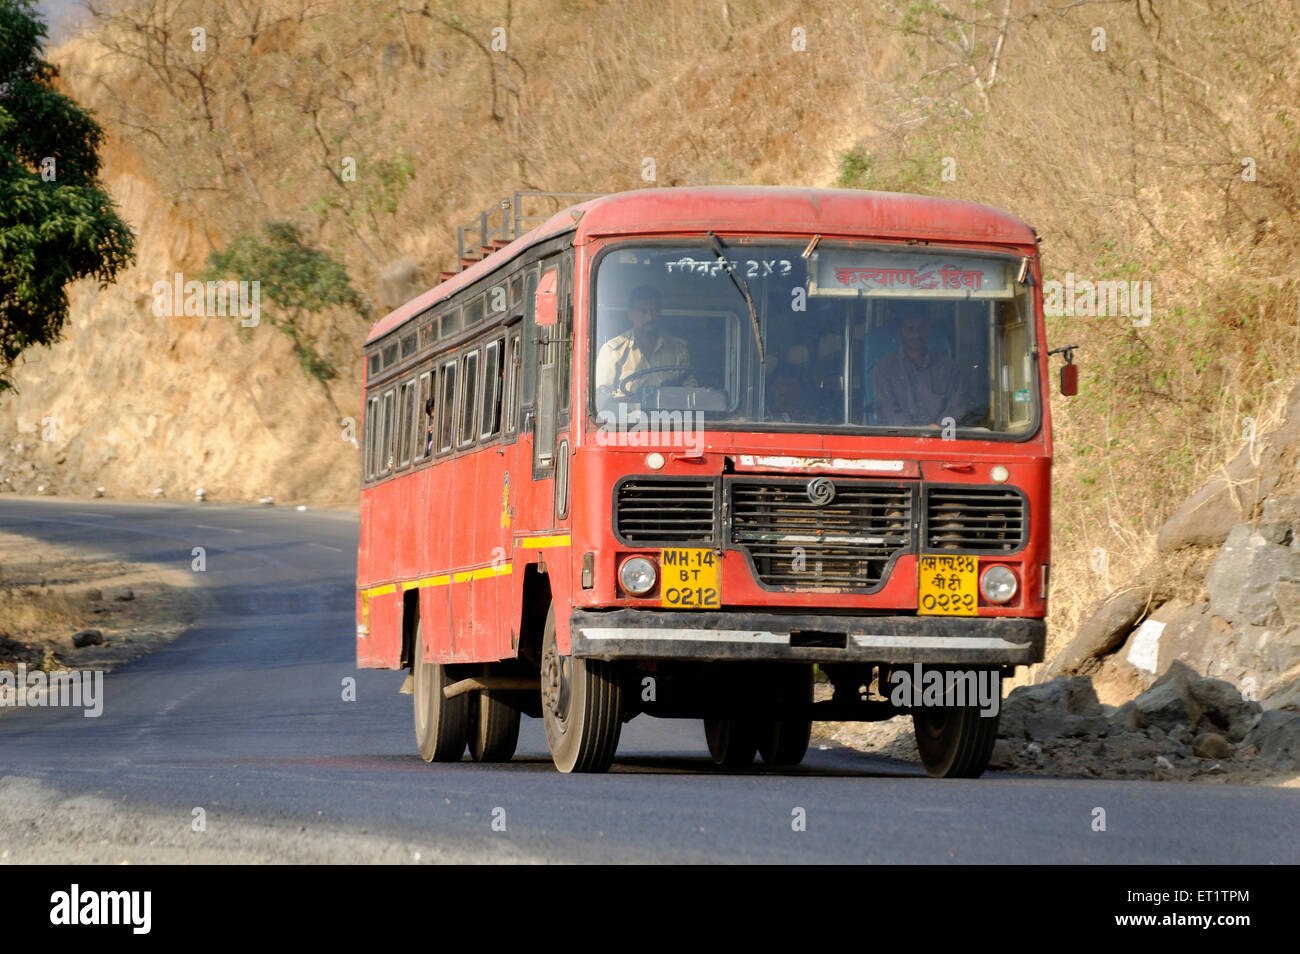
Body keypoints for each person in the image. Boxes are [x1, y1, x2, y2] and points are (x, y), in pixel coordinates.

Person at [595, 285, 694, 407]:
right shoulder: (613, 350)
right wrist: (626, 402)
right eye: (643, 311)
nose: (650, 317)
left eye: (655, 311)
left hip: (671, 422)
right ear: (630, 314)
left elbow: (691, 392)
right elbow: (600, 398)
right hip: (626, 424)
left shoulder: (678, 349)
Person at [872, 313, 962, 427]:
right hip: (899, 438)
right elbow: (886, 408)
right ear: (900, 331)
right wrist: (910, 429)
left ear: (928, 329)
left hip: (941, 437)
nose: (916, 334)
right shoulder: (884, 368)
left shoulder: (948, 368)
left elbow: (956, 407)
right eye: (910, 328)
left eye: (921, 328)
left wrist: (939, 427)